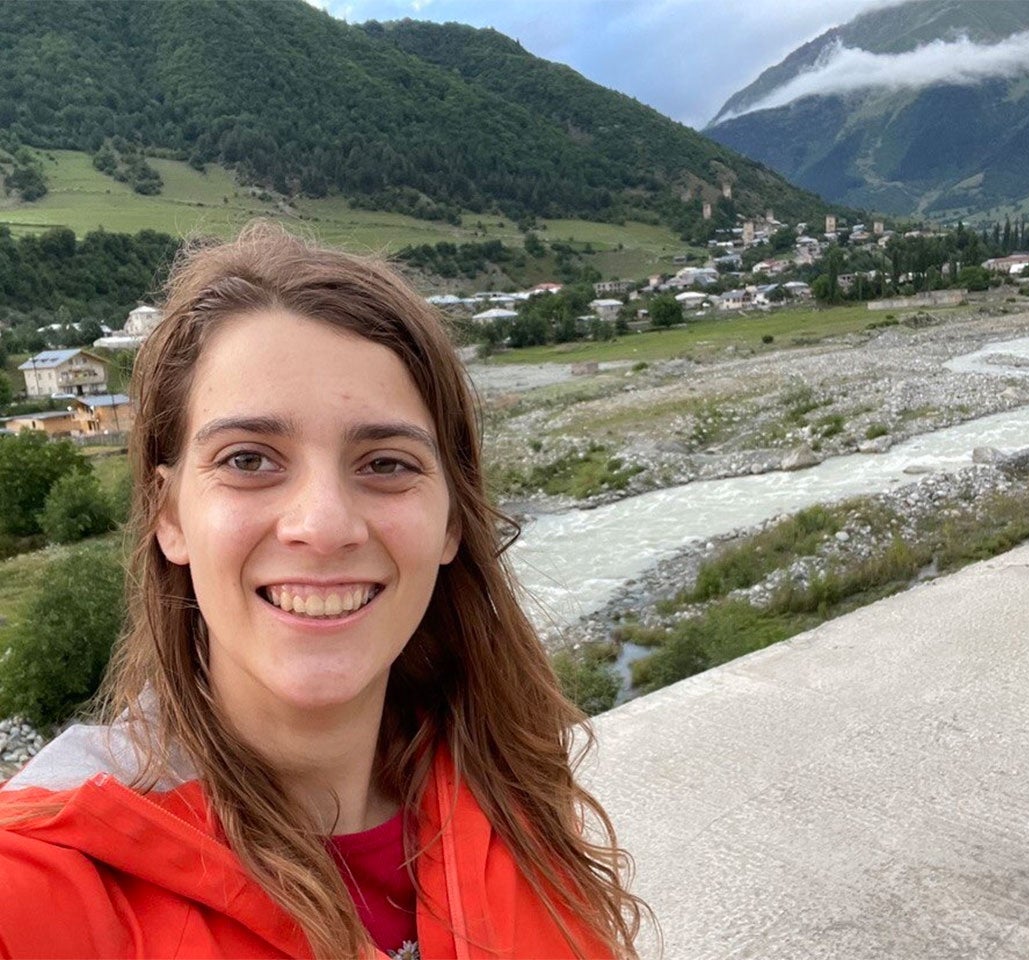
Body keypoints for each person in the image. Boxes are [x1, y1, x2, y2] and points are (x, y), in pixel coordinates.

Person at [0, 224, 647, 958]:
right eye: (249, 459)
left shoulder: (512, 794)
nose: (324, 525)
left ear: (450, 523)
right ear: (169, 514)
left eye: (385, 464)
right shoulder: (45, 882)